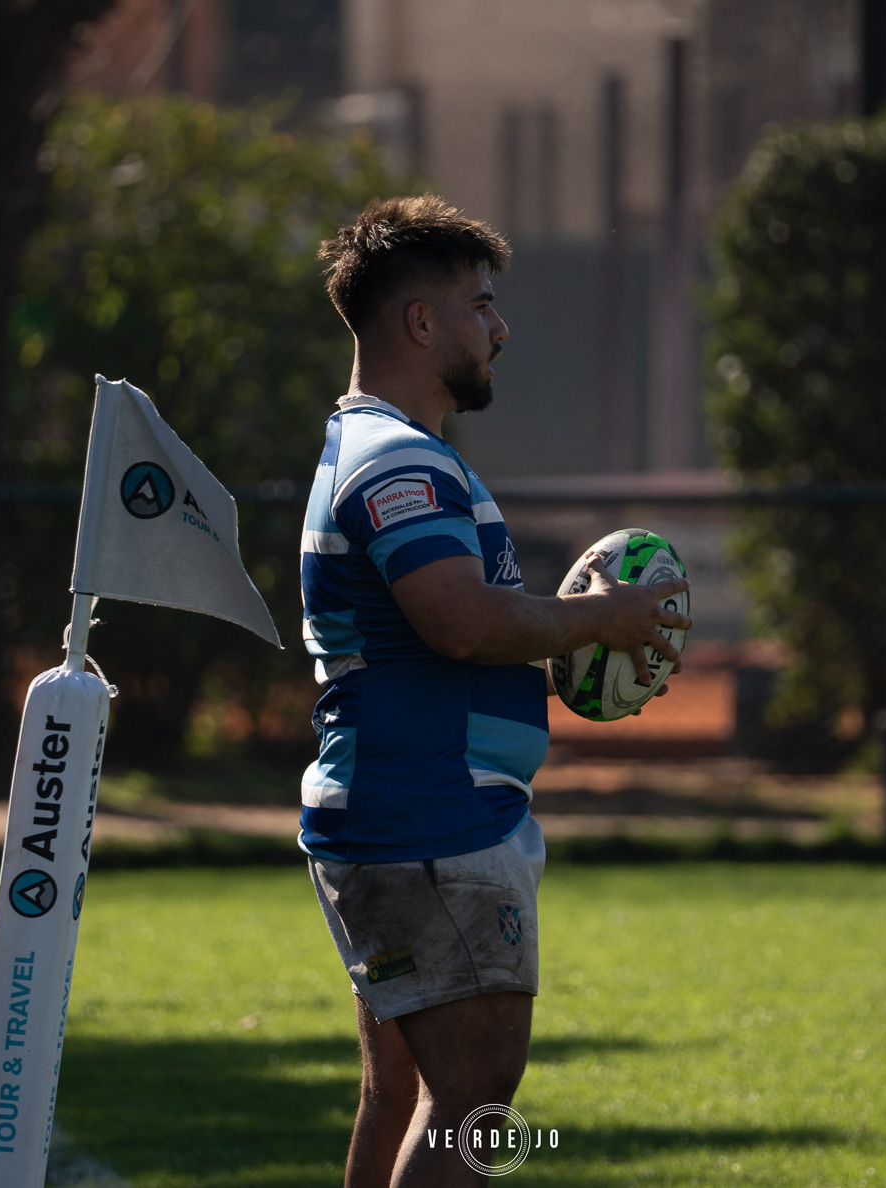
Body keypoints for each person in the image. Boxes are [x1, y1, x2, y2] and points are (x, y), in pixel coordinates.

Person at [299, 195, 692, 1187]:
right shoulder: (399, 460)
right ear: (419, 322)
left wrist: (573, 640)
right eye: (480, 306)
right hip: (432, 816)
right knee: (474, 1105)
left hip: (401, 810)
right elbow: (462, 623)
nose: (500, 328)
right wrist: (600, 621)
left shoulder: (378, 447)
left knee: (400, 1090)